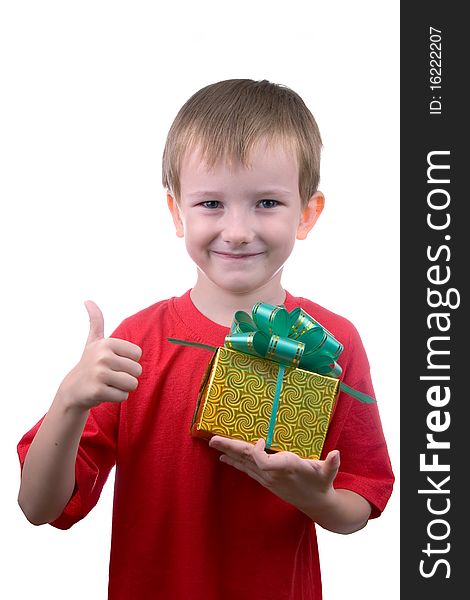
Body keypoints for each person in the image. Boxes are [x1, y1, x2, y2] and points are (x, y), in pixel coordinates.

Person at [17, 79, 394, 600]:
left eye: (266, 202)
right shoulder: (137, 344)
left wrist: (318, 499)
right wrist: (69, 400)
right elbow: (39, 509)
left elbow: (362, 501)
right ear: (177, 212)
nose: (237, 230)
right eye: (211, 202)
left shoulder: (334, 343)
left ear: (307, 212)